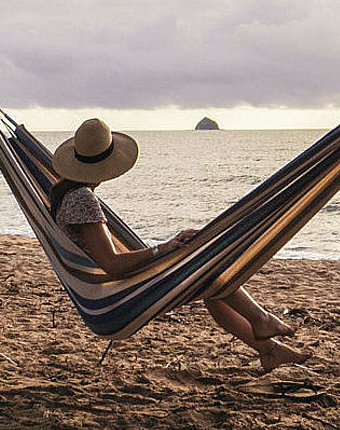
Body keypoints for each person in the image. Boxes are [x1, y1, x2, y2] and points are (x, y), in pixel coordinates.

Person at [49, 118, 311, 373]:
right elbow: (112, 264)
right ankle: (261, 321)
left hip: (99, 292)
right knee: (210, 268)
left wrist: (167, 247)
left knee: (211, 284)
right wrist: (163, 248)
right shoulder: (83, 198)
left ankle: (269, 349)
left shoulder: (65, 194)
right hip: (113, 295)